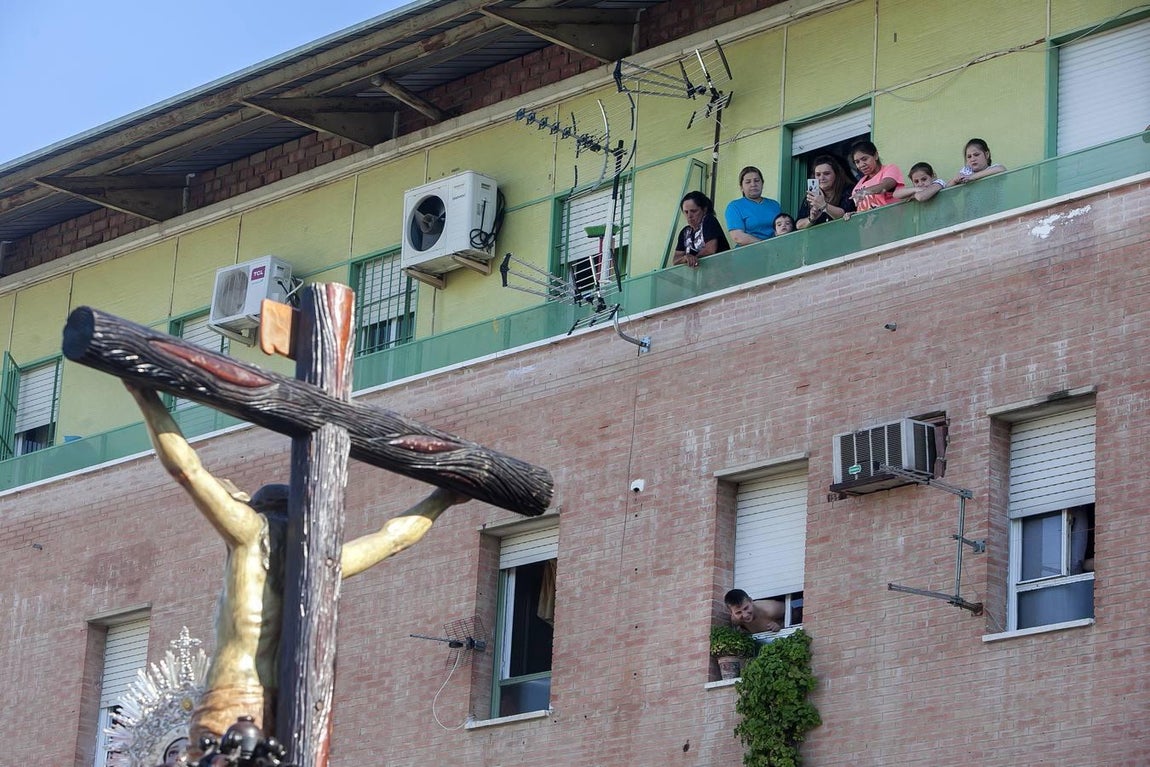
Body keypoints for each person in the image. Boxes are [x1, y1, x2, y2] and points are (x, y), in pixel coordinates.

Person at [124, 384, 467, 757]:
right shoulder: (317, 563)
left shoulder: (248, 536)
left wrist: (143, 395)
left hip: (232, 691)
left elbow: (188, 470)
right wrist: (443, 497)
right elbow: (392, 539)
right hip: (286, 704)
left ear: (256, 509)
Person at [724, 166, 782, 245]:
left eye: (757, 180)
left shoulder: (774, 205)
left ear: (762, 183)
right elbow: (738, 236)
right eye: (748, 182)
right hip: (749, 253)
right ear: (741, 187)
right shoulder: (734, 206)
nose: (753, 184)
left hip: (777, 251)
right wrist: (765, 246)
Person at [797, 155, 856, 228]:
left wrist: (824, 205)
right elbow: (798, 225)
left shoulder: (848, 190)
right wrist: (811, 219)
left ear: (836, 174)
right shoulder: (812, 196)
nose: (822, 178)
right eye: (818, 174)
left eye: (827, 173)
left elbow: (845, 214)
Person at [673, 190, 730, 267]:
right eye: (686, 212)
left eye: (693, 211)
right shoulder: (684, 232)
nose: (689, 216)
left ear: (704, 209)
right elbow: (675, 260)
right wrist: (685, 258)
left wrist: (693, 259)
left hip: (721, 272)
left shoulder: (709, 219)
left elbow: (710, 249)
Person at [848, 140, 904, 212]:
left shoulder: (889, 169)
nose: (861, 165)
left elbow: (884, 186)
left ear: (876, 155)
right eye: (857, 162)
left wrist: (864, 191)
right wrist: (853, 215)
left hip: (894, 220)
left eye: (864, 159)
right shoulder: (858, 187)